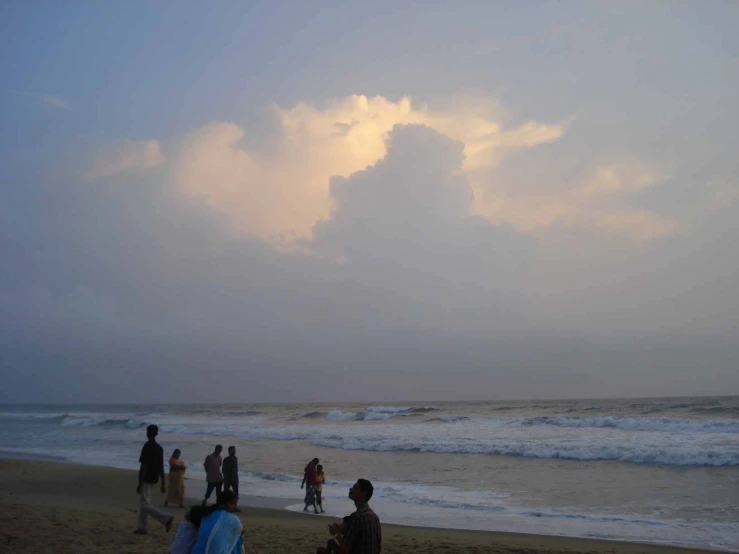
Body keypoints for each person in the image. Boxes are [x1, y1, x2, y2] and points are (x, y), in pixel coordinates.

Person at [316, 479, 381, 554]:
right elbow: (376, 545)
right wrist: (344, 531)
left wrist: (336, 533)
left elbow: (345, 549)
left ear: (363, 493)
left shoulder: (357, 517)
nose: (351, 489)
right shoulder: (374, 516)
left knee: (320, 550)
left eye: (355, 487)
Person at [134, 424, 174, 534]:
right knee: (145, 502)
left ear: (149, 433)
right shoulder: (159, 448)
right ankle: (142, 528)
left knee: (145, 504)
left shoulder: (147, 446)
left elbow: (144, 466)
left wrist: (140, 483)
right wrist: (163, 482)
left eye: (147, 431)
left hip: (146, 478)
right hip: (154, 477)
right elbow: (161, 466)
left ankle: (166, 519)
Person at [222, 446, 240, 512]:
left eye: (234, 450)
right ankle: (225, 506)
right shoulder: (226, 459)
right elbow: (223, 469)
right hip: (228, 479)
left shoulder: (235, 458)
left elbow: (236, 468)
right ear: (229, 451)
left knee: (236, 494)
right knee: (226, 493)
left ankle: (235, 506)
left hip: (234, 478)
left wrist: (236, 476)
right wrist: (225, 477)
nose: (234, 452)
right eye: (233, 450)